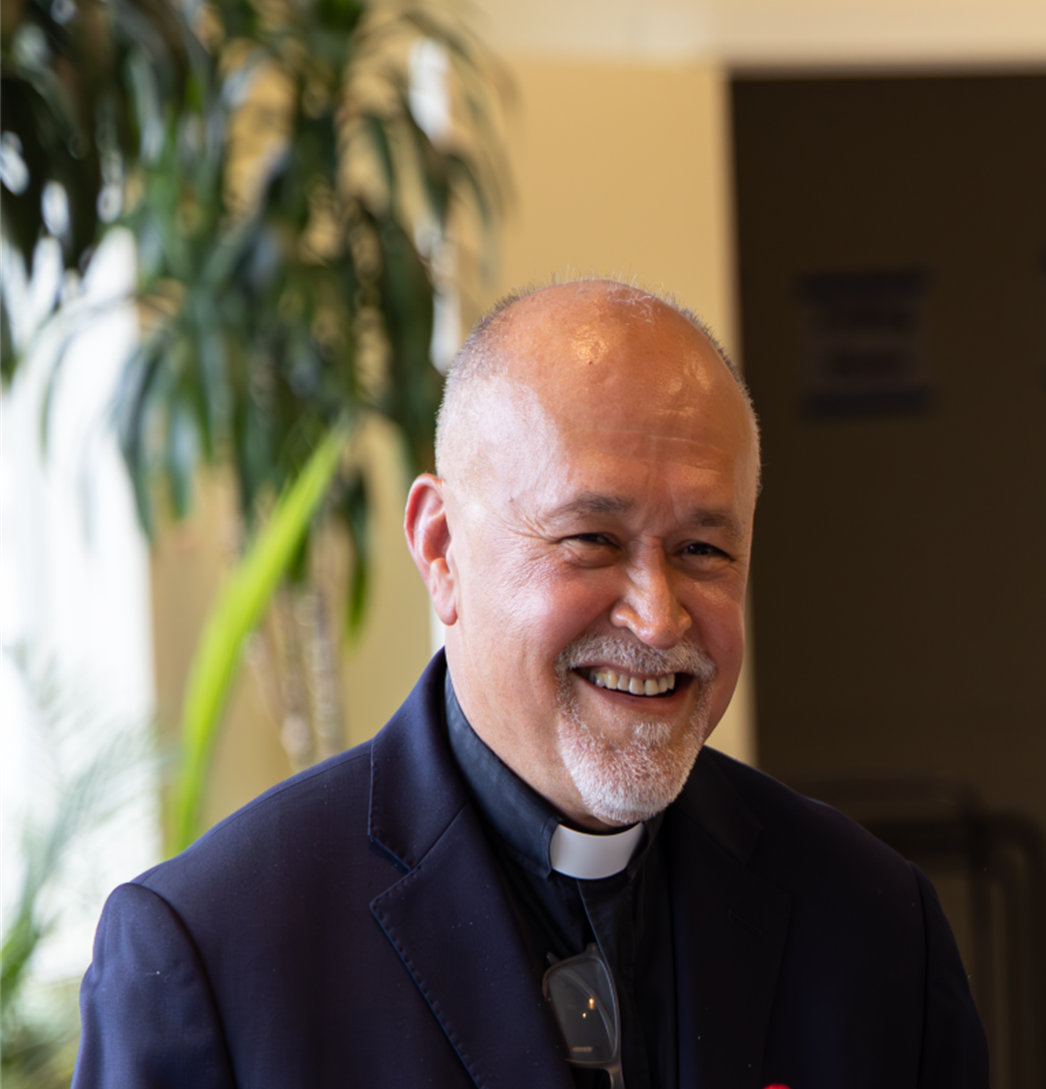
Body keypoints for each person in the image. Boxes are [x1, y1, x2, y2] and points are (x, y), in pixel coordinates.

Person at [73, 280, 988, 1088]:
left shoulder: (875, 926)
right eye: (592, 539)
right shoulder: (217, 952)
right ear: (441, 549)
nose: (657, 616)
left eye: (703, 549)